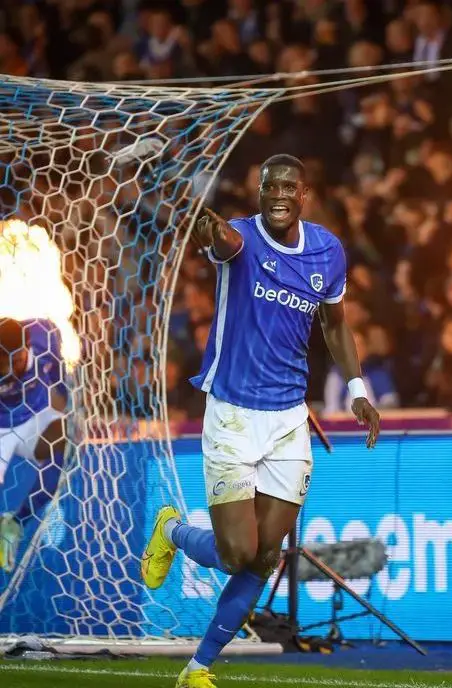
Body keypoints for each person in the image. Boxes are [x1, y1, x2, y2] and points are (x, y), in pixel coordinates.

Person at [141, 154, 380, 688]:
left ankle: (197, 669)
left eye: (288, 186)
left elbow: (335, 325)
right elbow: (222, 241)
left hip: (289, 420)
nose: (277, 194)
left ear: (304, 194)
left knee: (265, 556)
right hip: (231, 415)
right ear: (258, 192)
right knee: (235, 554)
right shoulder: (240, 240)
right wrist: (208, 227)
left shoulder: (327, 251)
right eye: (268, 185)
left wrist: (359, 389)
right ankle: (172, 531)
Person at [0, 318, 67, 572]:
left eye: (16, 360)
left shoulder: (44, 338)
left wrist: (64, 400)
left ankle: (14, 523)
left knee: (60, 441)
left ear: (27, 346)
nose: (10, 368)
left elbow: (59, 374)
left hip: (33, 419)